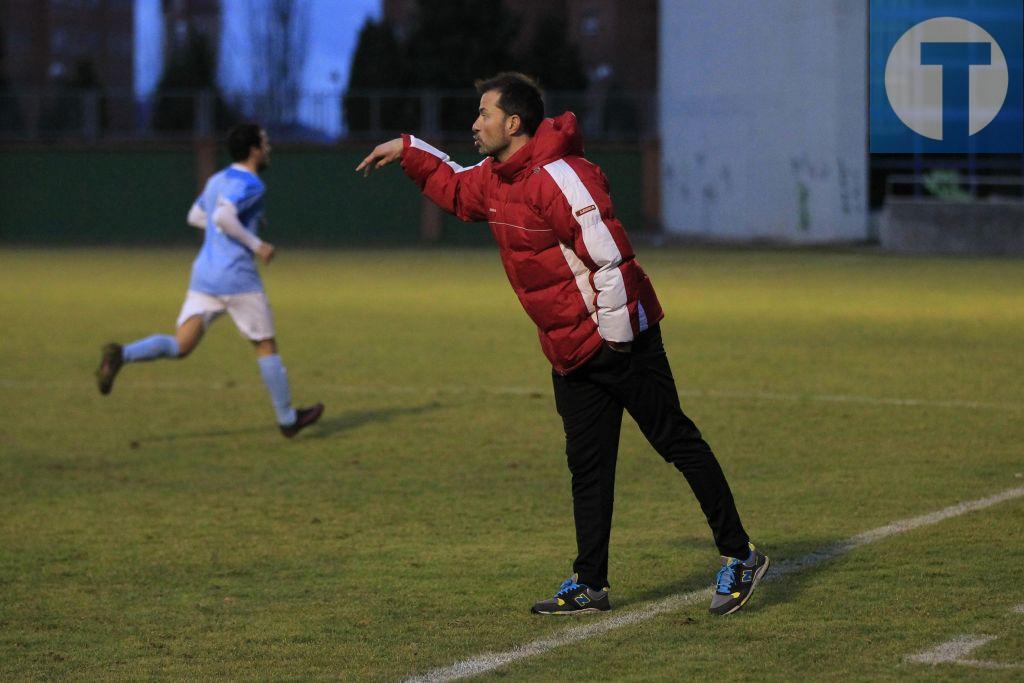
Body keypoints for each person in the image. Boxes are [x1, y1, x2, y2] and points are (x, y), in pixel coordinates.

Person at [357, 73, 768, 616]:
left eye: (484, 114)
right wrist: (408, 149)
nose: (475, 124)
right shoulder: (498, 177)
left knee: (675, 439)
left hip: (621, 341)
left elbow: (611, 260)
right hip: (569, 351)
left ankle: (741, 556)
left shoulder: (560, 176)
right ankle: (590, 582)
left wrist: (615, 344)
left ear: (514, 123)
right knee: (589, 466)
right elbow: (456, 188)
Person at [95, 123, 323, 438]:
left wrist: (243, 224)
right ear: (254, 149)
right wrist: (258, 244)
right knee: (265, 344)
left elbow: (196, 215)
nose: (269, 148)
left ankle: (122, 354)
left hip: (205, 276)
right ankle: (287, 420)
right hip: (237, 279)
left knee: (181, 344)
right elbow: (222, 217)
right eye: (266, 142)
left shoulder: (217, 179)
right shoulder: (253, 184)